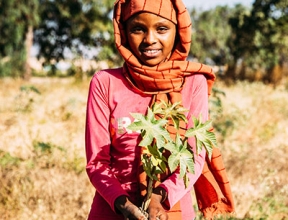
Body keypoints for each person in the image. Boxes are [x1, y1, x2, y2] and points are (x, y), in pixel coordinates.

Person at [85, 0, 235, 219]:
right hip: (112, 209)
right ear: (124, 32)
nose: (150, 39)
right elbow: (96, 163)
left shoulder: (193, 83)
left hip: (169, 209)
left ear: (178, 31)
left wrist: (159, 197)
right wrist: (124, 205)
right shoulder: (105, 82)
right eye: (138, 28)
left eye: (162, 28)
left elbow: (194, 156)